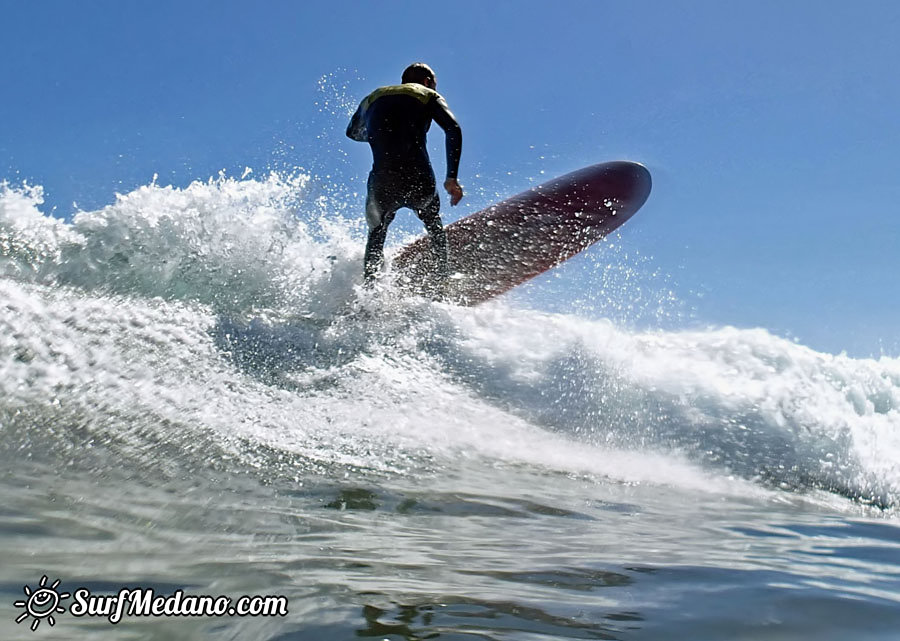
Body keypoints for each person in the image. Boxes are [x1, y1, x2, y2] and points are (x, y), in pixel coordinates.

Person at [346, 63, 463, 288]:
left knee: (377, 232)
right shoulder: (427, 94)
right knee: (432, 221)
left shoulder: (372, 97)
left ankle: (368, 292)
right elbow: (453, 129)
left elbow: (352, 132)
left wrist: (379, 134)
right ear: (428, 81)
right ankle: (443, 278)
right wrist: (451, 178)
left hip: (382, 180)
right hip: (418, 177)